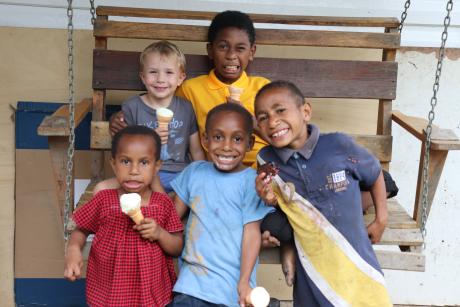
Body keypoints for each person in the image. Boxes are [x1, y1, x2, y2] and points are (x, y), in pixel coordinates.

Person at [254, 81, 392, 306]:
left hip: (356, 259)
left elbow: (375, 173)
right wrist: (269, 199)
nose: (272, 122)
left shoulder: (339, 145)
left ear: (305, 112)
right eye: (262, 117)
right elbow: (285, 206)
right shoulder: (266, 160)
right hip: (312, 267)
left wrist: (381, 219)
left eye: (280, 111)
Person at [110, 10, 269, 168]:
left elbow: (283, 137)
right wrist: (119, 117)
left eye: (240, 48)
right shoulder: (190, 89)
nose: (231, 55)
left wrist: (251, 122)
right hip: (215, 168)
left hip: (263, 168)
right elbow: (159, 98)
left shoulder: (263, 89)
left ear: (251, 52)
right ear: (210, 50)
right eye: (223, 47)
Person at [64, 125, 184, 307]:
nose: (134, 170)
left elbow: (177, 247)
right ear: (113, 164)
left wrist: (160, 234)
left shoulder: (162, 203)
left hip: (151, 294)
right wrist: (73, 251)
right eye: (125, 161)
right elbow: (80, 230)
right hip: (109, 290)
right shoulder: (104, 200)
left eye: (144, 162)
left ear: (156, 166)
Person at [169, 103, 274, 307]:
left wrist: (243, 283)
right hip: (191, 287)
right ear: (205, 140)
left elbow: (252, 234)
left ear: (250, 143)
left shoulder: (252, 182)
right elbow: (171, 220)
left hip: (234, 293)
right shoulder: (194, 172)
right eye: (218, 137)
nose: (227, 146)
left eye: (237, 139)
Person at [96, 40, 204, 194]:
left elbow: (196, 150)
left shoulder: (186, 108)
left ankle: (163, 208)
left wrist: (205, 175)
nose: (160, 79)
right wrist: (151, 138)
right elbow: (124, 149)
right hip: (142, 174)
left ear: (180, 78)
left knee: (191, 193)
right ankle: (160, 206)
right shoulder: (132, 107)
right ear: (143, 77)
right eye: (153, 72)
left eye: (169, 72)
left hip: (179, 175)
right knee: (100, 189)